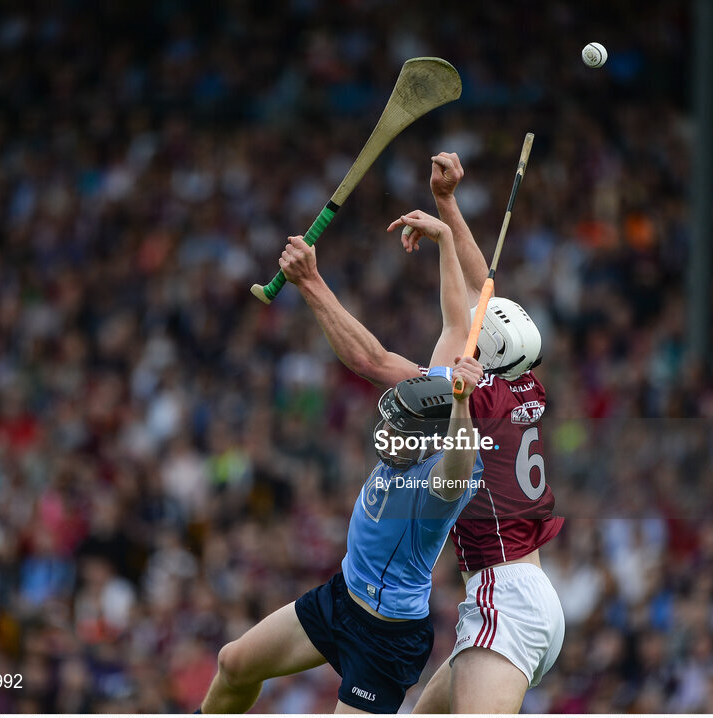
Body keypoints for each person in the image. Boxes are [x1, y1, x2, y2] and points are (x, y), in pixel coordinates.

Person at [279, 152, 564, 713]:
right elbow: (478, 303)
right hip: (530, 595)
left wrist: (311, 282)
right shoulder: (525, 384)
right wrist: (446, 207)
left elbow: (371, 358)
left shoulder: (465, 399)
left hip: (502, 595)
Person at [201, 210, 485, 715]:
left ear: (428, 437)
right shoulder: (432, 394)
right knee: (233, 663)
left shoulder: (445, 477)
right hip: (342, 597)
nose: (387, 431)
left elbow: (460, 463)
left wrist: (463, 404)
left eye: (398, 428)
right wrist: (443, 236)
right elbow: (454, 323)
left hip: (386, 636)